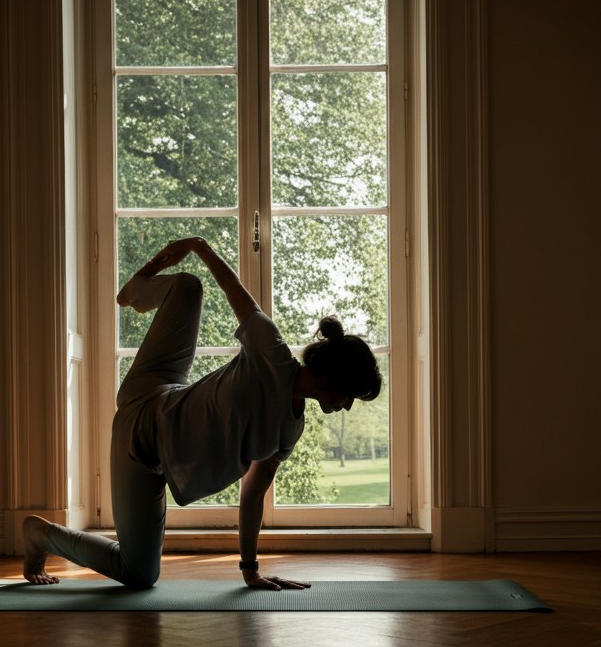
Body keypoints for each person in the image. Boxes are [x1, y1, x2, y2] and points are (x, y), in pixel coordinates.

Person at [22, 236, 382, 591]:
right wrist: (196, 245)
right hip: (146, 417)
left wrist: (250, 569)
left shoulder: (290, 429)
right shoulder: (270, 351)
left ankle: (42, 535)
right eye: (351, 394)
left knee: (140, 575)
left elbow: (253, 495)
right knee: (187, 286)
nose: (348, 405)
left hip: (151, 452)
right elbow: (232, 287)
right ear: (334, 376)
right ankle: (139, 289)